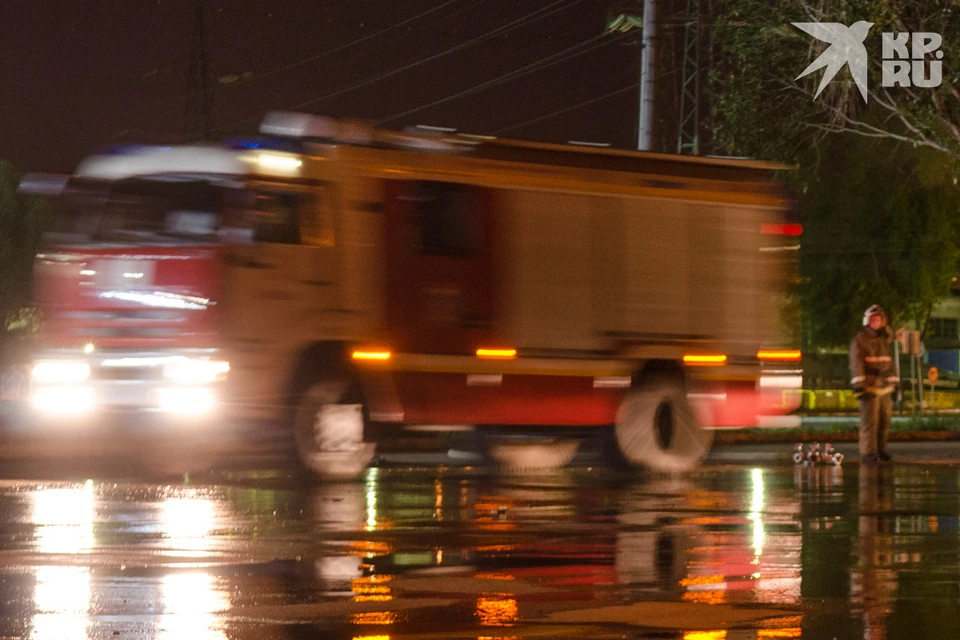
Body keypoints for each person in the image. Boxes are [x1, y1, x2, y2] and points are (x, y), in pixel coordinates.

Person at [850, 305, 899, 463]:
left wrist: (896, 384)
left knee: (884, 422)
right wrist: (860, 385)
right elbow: (856, 364)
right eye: (874, 320)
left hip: (885, 387)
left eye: (879, 320)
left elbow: (890, 364)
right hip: (870, 387)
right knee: (870, 423)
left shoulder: (883, 341)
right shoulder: (860, 340)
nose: (876, 322)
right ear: (867, 321)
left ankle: (881, 450)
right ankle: (868, 452)